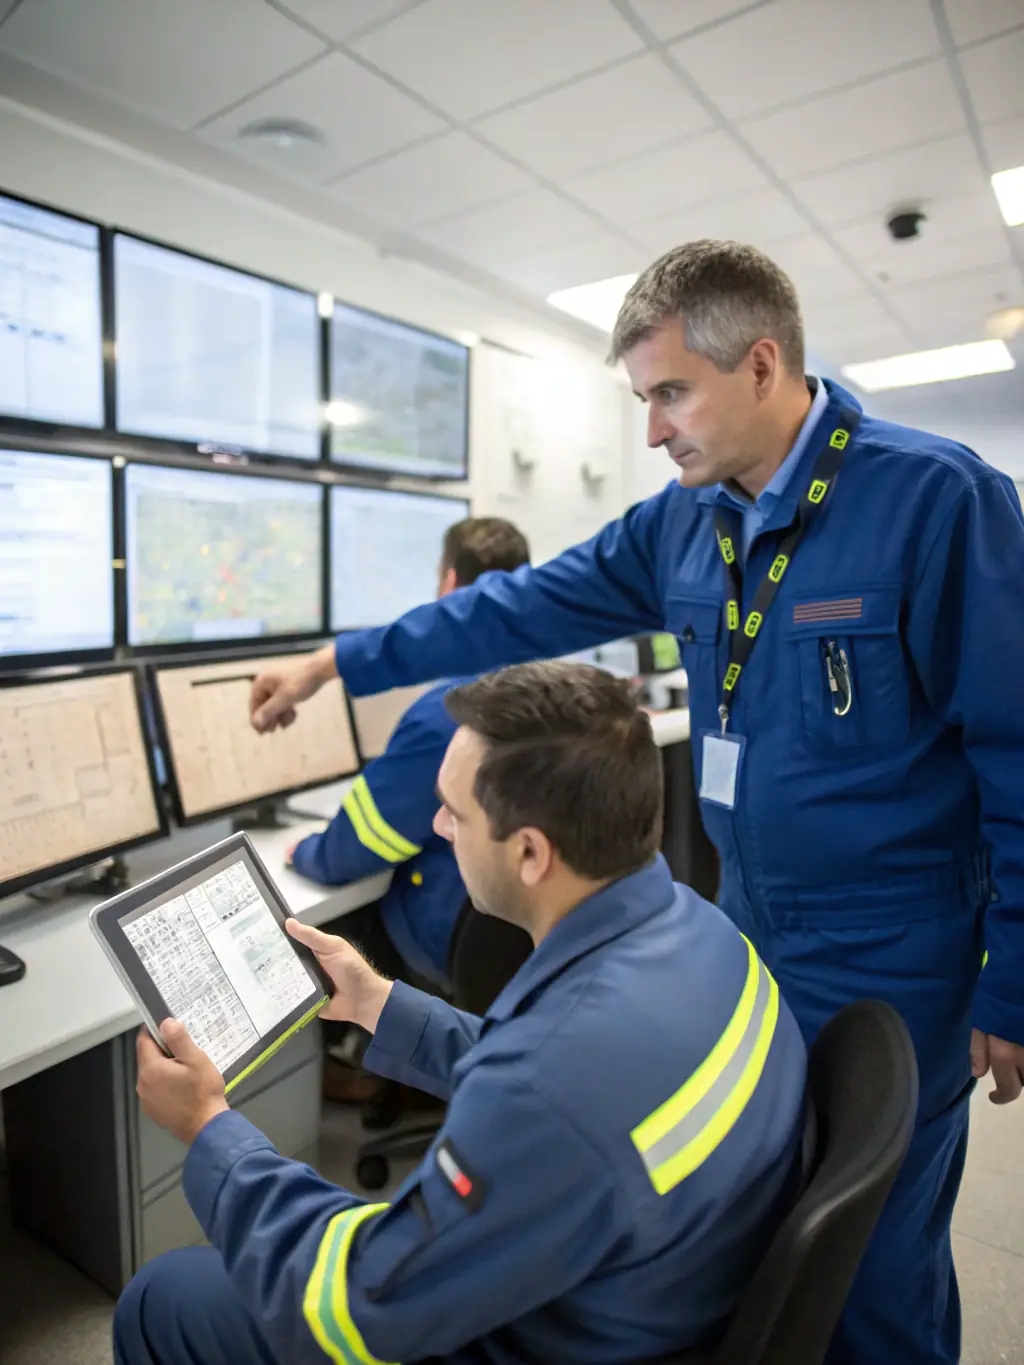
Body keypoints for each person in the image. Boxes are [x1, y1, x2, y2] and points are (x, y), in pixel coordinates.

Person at [249, 239, 1024, 1365]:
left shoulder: (934, 501)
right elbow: (510, 611)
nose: (653, 429)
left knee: (875, 1262)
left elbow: (1017, 745)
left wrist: (1017, 968)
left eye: (670, 393)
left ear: (762, 366)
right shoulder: (682, 522)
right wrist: (340, 661)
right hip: (750, 930)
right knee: (772, 1232)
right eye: (643, 398)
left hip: (898, 950)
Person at [118, 661, 807, 1365]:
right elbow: (555, 1070)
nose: (441, 828)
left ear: (531, 852)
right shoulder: (705, 931)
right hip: (659, 1281)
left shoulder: (547, 1088)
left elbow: (353, 1305)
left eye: (456, 811)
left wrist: (209, 1129)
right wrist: (375, 1001)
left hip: (570, 1331)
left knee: (164, 1294)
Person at [287, 516, 530, 994]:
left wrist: (306, 853)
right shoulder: (546, 682)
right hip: (526, 936)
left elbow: (354, 851)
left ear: (449, 584)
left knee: (340, 927)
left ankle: (354, 1061)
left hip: (452, 933)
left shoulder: (451, 714)